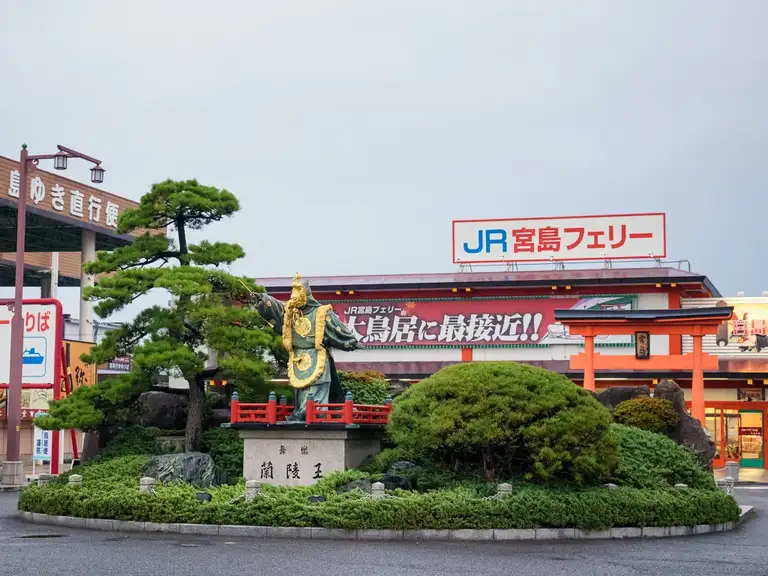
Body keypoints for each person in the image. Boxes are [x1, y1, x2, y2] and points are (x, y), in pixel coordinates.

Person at [254, 273, 360, 422]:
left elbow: (338, 329)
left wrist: (349, 341)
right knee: (301, 390)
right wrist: (264, 299)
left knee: (316, 388)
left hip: (318, 358)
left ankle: (315, 414)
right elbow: (278, 308)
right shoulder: (292, 313)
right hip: (299, 359)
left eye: (296, 293)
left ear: (305, 294)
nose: (292, 296)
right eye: (292, 293)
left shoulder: (322, 312)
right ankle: (300, 412)